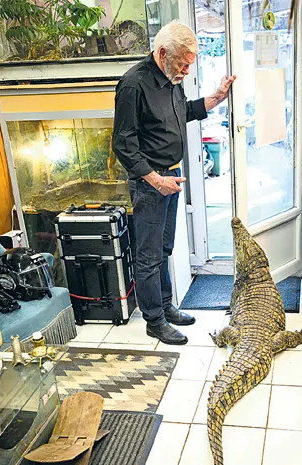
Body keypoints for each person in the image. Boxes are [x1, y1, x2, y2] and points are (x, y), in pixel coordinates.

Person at [113, 23, 236, 345]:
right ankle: (154, 320)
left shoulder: (171, 80)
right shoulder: (133, 84)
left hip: (170, 176)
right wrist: (155, 180)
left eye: (190, 63)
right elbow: (123, 143)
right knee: (148, 255)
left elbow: (183, 112)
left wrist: (216, 98)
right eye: (183, 62)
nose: (186, 69)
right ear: (163, 53)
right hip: (150, 182)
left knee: (164, 248)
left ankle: (166, 307)